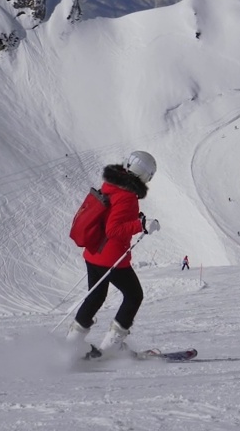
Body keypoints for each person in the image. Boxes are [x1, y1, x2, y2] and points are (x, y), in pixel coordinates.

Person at [65, 150, 161, 358]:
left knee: (96, 297)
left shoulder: (112, 186)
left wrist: (136, 219)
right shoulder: (128, 196)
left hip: (93, 254)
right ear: (144, 174)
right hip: (112, 258)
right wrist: (140, 224)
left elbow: (111, 216)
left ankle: (71, 344)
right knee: (134, 296)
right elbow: (113, 230)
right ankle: (112, 346)